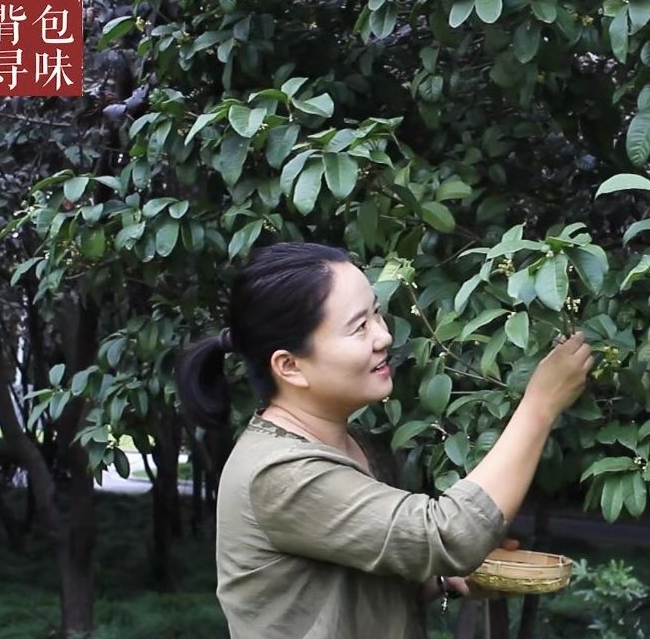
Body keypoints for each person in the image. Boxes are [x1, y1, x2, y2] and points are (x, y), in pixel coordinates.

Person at [176, 242, 594, 639]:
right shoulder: (280, 473)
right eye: (359, 327)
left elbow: (354, 585)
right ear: (290, 366)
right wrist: (540, 405)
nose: (384, 337)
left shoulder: (352, 443)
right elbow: (448, 534)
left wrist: (447, 578)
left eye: (376, 315)